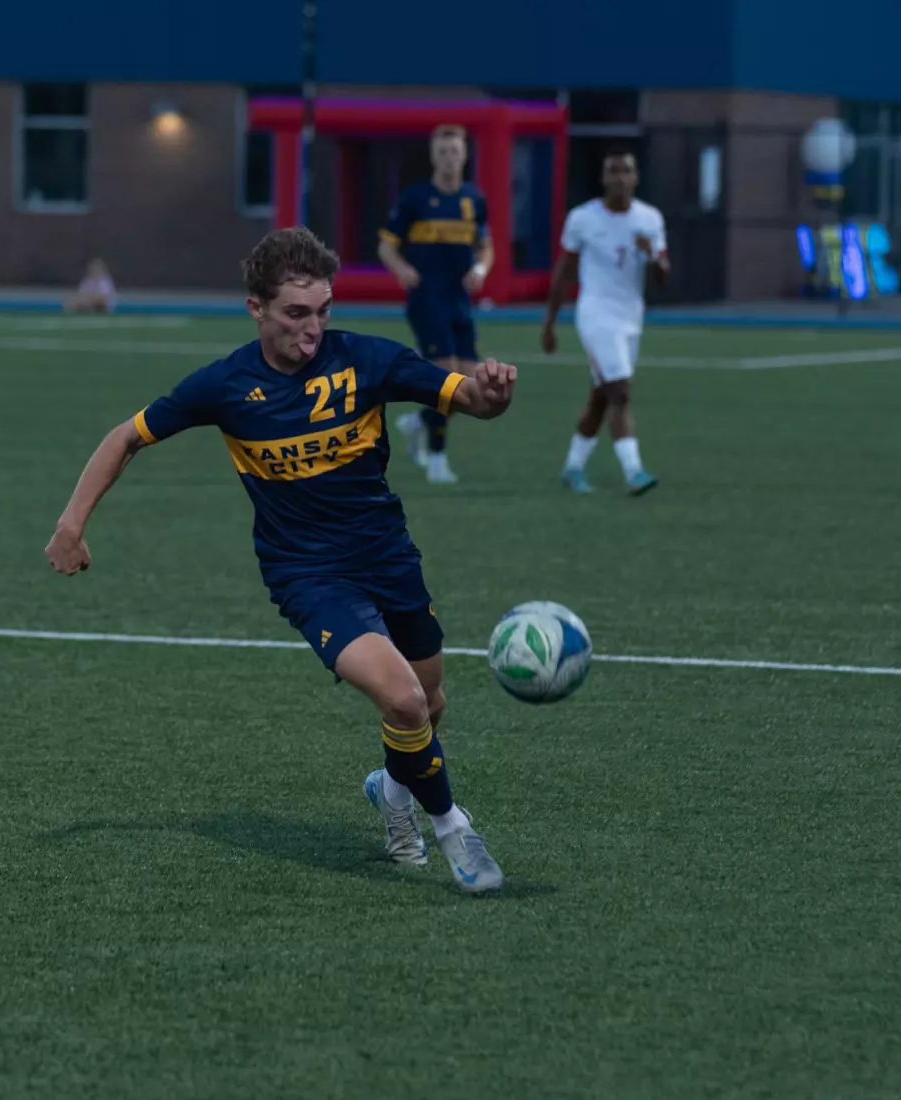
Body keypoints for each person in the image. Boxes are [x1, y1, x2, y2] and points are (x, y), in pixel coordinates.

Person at [45, 226, 518, 894]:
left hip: (387, 555)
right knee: (405, 699)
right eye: (297, 313)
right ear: (255, 308)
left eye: (324, 310)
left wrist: (493, 394)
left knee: (429, 699)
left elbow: (467, 397)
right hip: (307, 575)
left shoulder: (367, 360)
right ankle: (452, 830)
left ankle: (390, 789)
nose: (314, 327)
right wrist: (71, 523)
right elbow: (128, 436)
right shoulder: (226, 385)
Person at [541, 147, 669, 495]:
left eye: (626, 171)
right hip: (596, 315)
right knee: (621, 392)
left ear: (636, 177)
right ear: (603, 178)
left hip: (631, 317)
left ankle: (573, 467)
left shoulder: (650, 219)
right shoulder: (583, 218)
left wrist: (652, 257)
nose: (620, 178)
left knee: (602, 396)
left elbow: (663, 278)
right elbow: (564, 271)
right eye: (613, 171)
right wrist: (550, 322)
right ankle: (634, 471)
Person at [377, 124, 493, 485]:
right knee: (448, 378)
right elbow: (385, 246)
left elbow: (486, 246)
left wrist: (481, 269)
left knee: (473, 386)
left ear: (465, 155)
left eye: (455, 151)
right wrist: (402, 268)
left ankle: (420, 422)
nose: (449, 158)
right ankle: (438, 462)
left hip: (460, 300)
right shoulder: (415, 199)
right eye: (443, 152)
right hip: (427, 299)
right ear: (433, 156)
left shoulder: (474, 200)